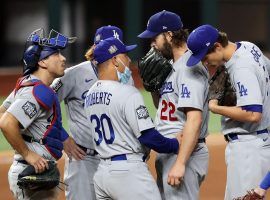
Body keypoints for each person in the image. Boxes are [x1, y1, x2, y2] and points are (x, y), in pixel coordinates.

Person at [85, 37, 182, 200]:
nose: (129, 60)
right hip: (128, 174)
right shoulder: (127, 93)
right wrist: (175, 144)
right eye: (125, 55)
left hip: (102, 175)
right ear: (115, 60)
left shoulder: (90, 95)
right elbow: (149, 137)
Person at [186, 24, 270, 199]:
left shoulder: (241, 67)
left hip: (249, 148)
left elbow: (253, 114)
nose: (204, 61)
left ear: (217, 46)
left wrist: (215, 107)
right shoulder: (249, 46)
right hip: (258, 142)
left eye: (205, 55)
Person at [137, 10, 209, 200]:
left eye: (155, 37)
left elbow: (194, 119)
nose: (152, 43)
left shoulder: (189, 68)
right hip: (169, 149)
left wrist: (181, 163)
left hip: (184, 151)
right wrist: (153, 88)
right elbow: (163, 107)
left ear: (169, 35)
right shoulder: (170, 66)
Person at [0, 28, 77, 200]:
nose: (63, 58)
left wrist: (34, 134)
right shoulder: (36, 92)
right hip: (33, 173)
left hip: (35, 171)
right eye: (56, 54)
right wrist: (28, 153)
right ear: (42, 62)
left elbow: (2, 112)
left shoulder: (27, 84)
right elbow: (6, 122)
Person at [51, 25, 126, 200]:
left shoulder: (124, 76)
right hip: (84, 160)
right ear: (95, 47)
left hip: (116, 160)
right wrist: (62, 137)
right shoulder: (72, 75)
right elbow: (45, 107)